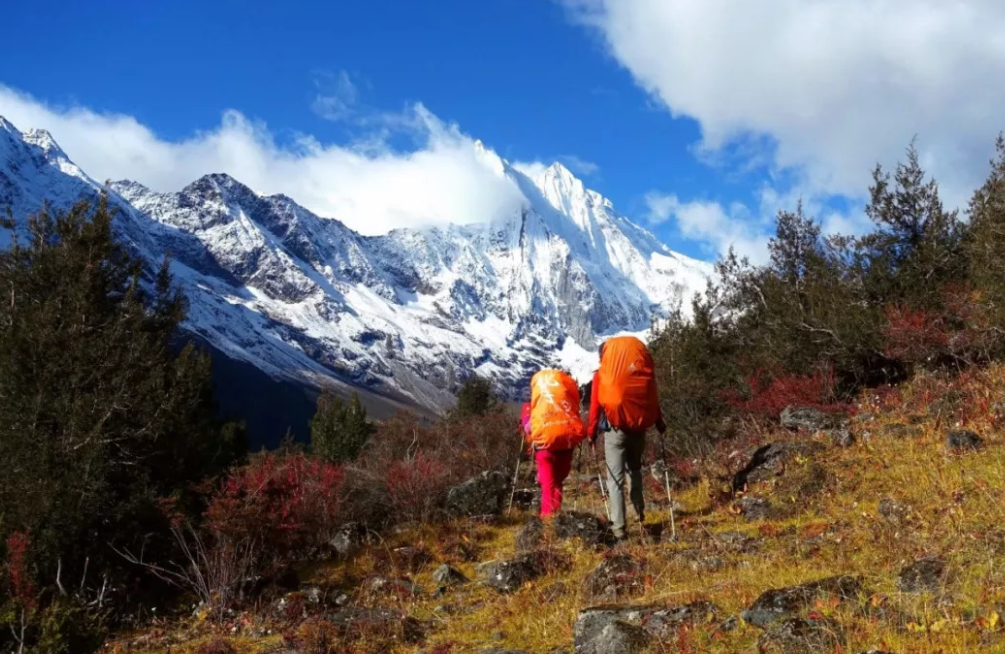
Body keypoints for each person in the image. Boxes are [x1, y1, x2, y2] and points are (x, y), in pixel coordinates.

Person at [588, 337, 666, 540]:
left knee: (615, 479)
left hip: (616, 431)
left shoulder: (602, 375)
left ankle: (619, 529)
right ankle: (639, 514)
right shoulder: (636, 373)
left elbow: (595, 408)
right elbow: (651, 397)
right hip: (638, 429)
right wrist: (659, 422)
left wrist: (591, 433)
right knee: (635, 469)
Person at [527, 368, 586, 517]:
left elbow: (529, 427)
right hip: (565, 445)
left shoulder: (540, 404)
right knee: (558, 482)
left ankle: (547, 520)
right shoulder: (567, 400)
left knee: (547, 485)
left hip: (544, 447)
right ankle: (556, 515)